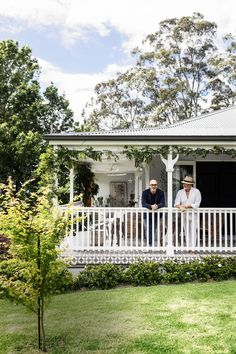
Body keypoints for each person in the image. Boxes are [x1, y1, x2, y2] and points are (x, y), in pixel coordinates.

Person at [174, 176, 201, 251]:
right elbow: (176, 203)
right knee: (187, 231)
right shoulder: (180, 192)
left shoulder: (196, 192)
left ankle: (192, 249)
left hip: (193, 215)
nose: (185, 185)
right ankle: (188, 248)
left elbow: (197, 205)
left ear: (191, 185)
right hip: (184, 215)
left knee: (193, 231)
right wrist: (180, 207)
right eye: (184, 184)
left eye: (187, 184)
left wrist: (187, 206)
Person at [142, 179, 165, 246]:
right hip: (147, 214)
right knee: (149, 228)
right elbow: (143, 204)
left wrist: (157, 206)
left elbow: (163, 203)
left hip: (157, 214)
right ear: (149, 185)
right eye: (152, 185)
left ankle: (157, 243)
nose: (153, 186)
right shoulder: (145, 192)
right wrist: (151, 206)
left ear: (157, 185)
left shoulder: (161, 192)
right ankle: (150, 244)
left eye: (155, 185)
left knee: (155, 228)